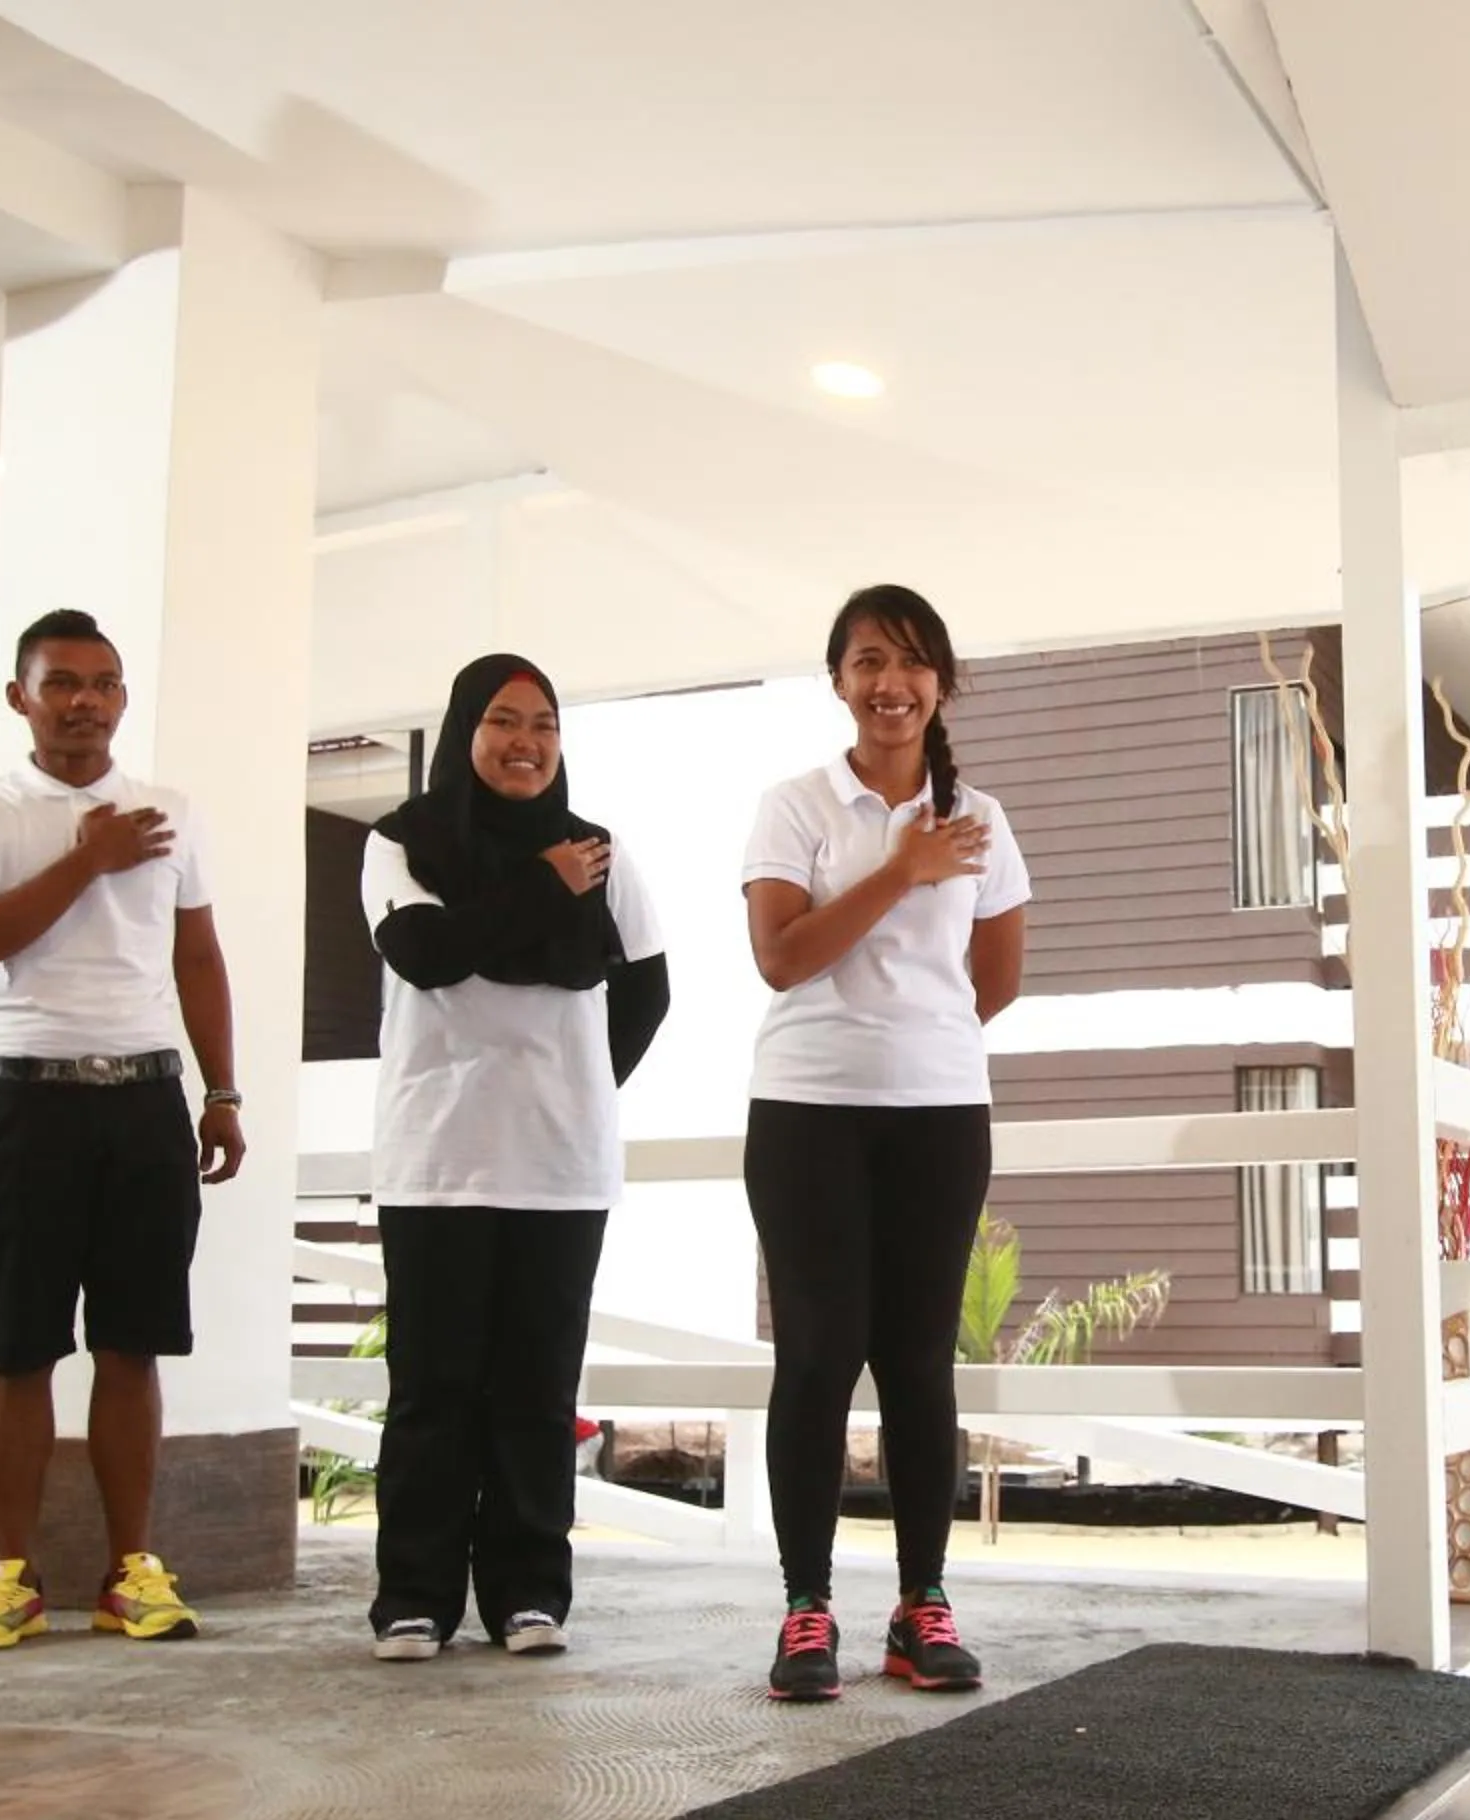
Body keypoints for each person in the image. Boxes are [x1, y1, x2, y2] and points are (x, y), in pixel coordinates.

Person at [0, 607, 244, 1653]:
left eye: (103, 682)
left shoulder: (170, 809)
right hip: (24, 1095)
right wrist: (87, 858)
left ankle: (129, 1570)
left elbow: (197, 955)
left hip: (145, 1097)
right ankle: (8, 1574)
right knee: (19, 1346)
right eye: (61, 681)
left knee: (133, 1339)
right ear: (20, 696)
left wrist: (224, 1089)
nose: (85, 701)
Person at [740, 584, 1029, 1701]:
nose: (889, 683)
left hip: (940, 1115)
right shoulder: (796, 806)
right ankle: (806, 1606)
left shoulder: (984, 822)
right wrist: (899, 870)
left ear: (941, 683)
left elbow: (993, 980)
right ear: (839, 681)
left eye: (910, 662)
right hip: (806, 1107)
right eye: (868, 660)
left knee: (917, 1361)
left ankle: (921, 1604)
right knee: (816, 1354)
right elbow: (780, 954)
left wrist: (920, 1041)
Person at [360, 654, 669, 1663]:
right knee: (432, 1388)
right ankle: (414, 1596)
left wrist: (579, 1085)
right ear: (464, 730)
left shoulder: (606, 856)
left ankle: (531, 1593)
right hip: (437, 1157)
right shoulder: (400, 843)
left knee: (538, 1390)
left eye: (544, 723)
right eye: (502, 720)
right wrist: (541, 885)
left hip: (560, 1163)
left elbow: (648, 991)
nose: (526, 742)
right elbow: (426, 952)